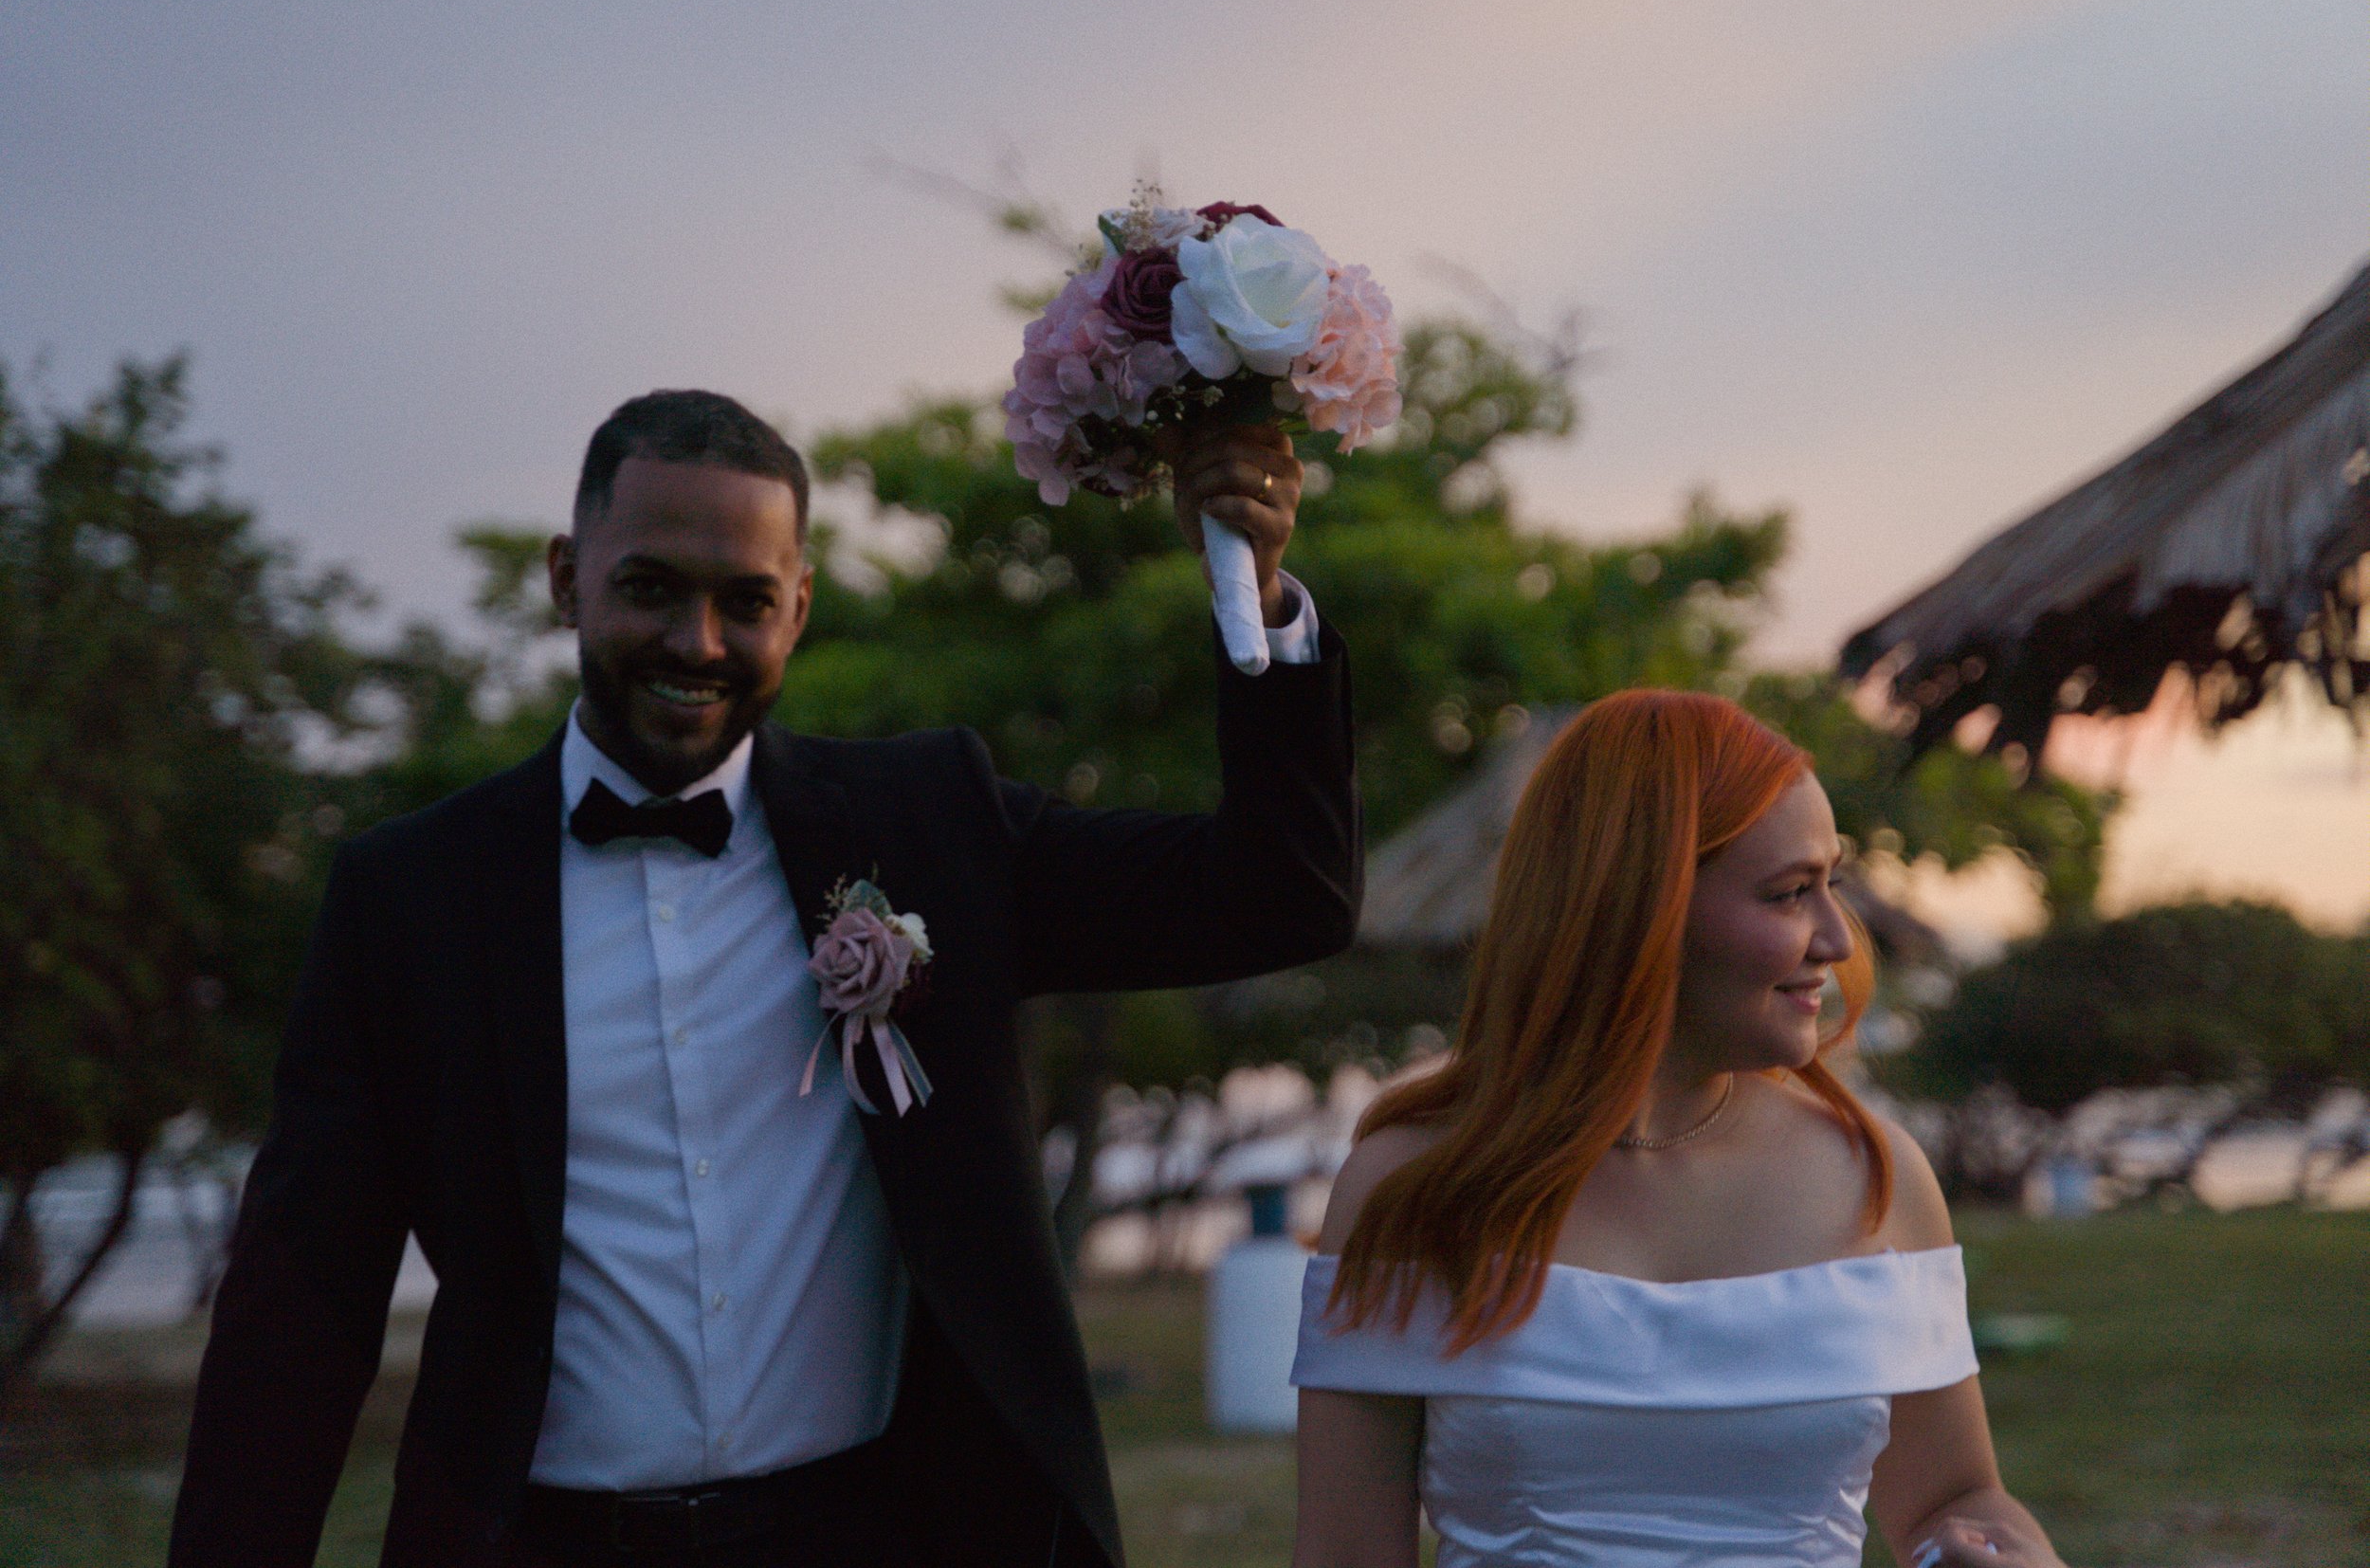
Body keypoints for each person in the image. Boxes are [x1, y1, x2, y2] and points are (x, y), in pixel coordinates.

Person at [171, 389, 1361, 1568]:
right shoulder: (407, 897)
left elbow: (1280, 894)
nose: (696, 643)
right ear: (563, 578)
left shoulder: (931, 826)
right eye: (650, 587)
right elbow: (301, 1313)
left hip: (875, 1533)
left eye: (744, 602)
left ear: (797, 609)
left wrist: (1250, 597)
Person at [1289, 690, 2065, 1568]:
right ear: (1640, 910)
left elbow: (1956, 1498)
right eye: (1788, 894)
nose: (1837, 939)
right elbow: (1344, 1553)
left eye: (1831, 885)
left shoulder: (1874, 1175)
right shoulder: (1410, 1186)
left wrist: (2002, 1557)